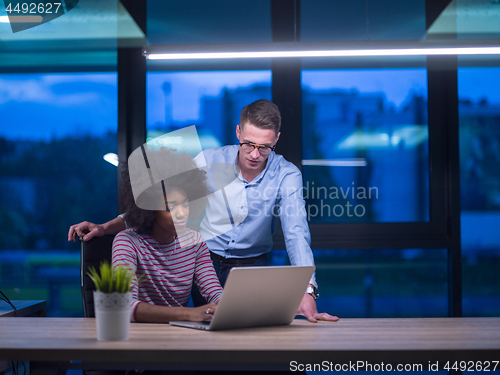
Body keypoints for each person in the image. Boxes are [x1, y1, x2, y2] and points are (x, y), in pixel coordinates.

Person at [69, 99, 339, 323]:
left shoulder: (286, 174)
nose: (255, 154)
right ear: (238, 132)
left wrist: (307, 290)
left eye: (264, 147)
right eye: (249, 144)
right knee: (209, 336)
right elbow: (160, 198)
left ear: (276, 140)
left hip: (251, 265)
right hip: (206, 258)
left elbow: (296, 233)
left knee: (248, 337)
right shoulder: (209, 161)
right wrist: (105, 227)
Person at [112, 149, 222, 323]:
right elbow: (124, 305)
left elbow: (214, 291)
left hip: (178, 335)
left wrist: (229, 306)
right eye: (170, 207)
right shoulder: (127, 242)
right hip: (137, 336)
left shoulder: (194, 242)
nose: (181, 214)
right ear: (150, 210)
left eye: (185, 205)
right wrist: (188, 314)